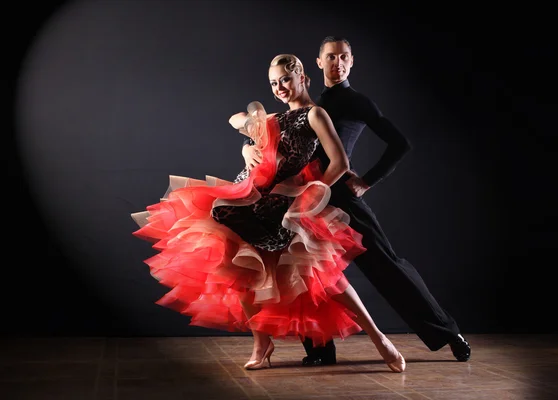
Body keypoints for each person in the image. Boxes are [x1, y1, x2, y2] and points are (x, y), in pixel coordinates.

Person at [131, 53, 406, 372]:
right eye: (274, 83)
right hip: (250, 196)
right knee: (234, 262)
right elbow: (235, 119)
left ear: (303, 77)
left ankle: (379, 337)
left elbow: (340, 164)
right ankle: (262, 343)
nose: (280, 87)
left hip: (287, 205)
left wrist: (310, 193)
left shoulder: (314, 114)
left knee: (324, 277)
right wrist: (246, 146)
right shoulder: (272, 120)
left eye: (286, 80)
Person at [242, 37, 471, 365]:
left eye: (344, 57)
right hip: (301, 200)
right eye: (331, 57)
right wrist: (247, 147)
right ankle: (321, 349)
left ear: (351, 61)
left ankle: (449, 334)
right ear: (318, 63)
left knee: (387, 267)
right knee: (306, 273)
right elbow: (268, 136)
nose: (338, 63)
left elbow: (400, 143)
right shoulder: (306, 101)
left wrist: (367, 181)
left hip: (340, 198)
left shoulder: (354, 100)